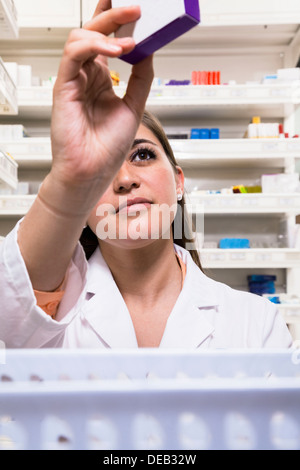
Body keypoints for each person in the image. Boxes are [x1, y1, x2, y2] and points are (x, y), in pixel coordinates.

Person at [0, 1, 292, 349]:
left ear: (178, 181)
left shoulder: (257, 324)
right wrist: (70, 180)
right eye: (103, 171)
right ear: (84, 206)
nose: (123, 179)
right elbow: (10, 321)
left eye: (142, 155)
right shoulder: (51, 322)